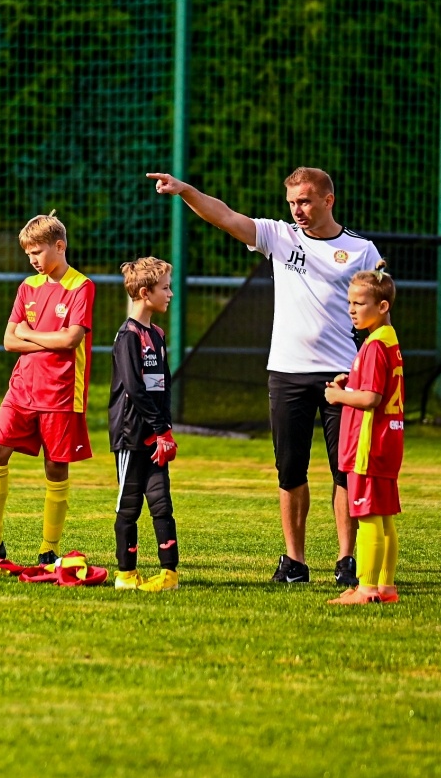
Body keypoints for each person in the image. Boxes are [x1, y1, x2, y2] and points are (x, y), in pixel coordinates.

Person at [147, 166, 382, 587]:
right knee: (290, 470)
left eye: (306, 201)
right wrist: (185, 191)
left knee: (345, 471)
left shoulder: (361, 250)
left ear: (328, 200)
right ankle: (295, 561)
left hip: (342, 377)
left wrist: (372, 368)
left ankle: (347, 559)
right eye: (292, 202)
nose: (297, 211)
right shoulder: (279, 236)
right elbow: (225, 216)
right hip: (287, 373)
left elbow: (379, 312)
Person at [0, 213, 95, 567]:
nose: (32, 259)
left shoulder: (81, 286)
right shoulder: (27, 287)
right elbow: (7, 341)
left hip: (62, 393)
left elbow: (71, 339)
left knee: (56, 466)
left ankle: (48, 550)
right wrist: (46, 341)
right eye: (28, 253)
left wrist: (29, 334)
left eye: (37, 251)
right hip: (21, 388)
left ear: (59, 246)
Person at [323, 270, 404, 605]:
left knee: (368, 515)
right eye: (349, 303)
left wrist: (338, 397)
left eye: (360, 303)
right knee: (383, 517)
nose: (352, 310)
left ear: (382, 305)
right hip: (389, 440)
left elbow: (371, 398)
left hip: (368, 445)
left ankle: (367, 588)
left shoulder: (372, 347)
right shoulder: (389, 339)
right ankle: (385, 587)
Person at [110, 257, 180, 592]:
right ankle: (126, 573)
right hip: (132, 436)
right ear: (144, 292)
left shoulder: (158, 334)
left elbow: (162, 383)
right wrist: (156, 427)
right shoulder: (128, 336)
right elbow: (135, 388)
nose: (171, 293)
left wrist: (165, 429)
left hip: (155, 433)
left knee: (161, 502)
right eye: (165, 287)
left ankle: (169, 574)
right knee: (129, 505)